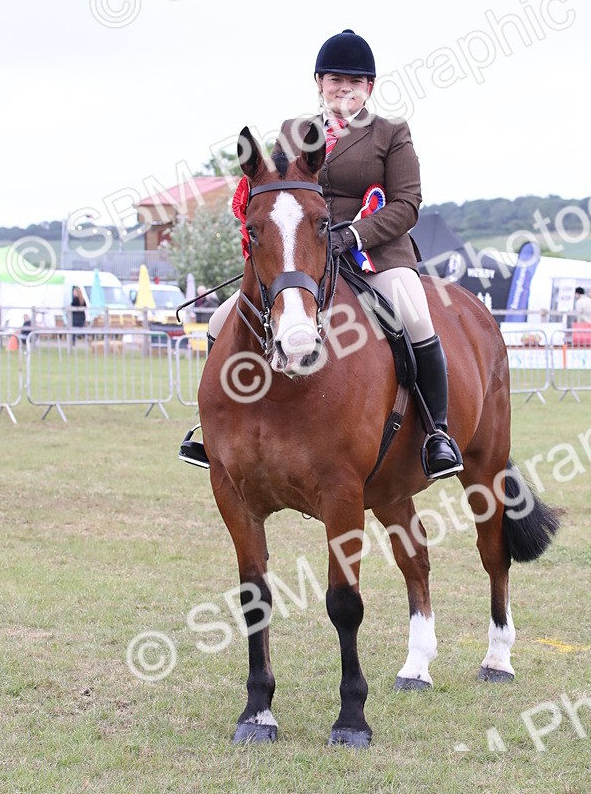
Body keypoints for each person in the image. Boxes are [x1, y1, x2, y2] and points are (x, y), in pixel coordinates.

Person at [180, 30, 463, 480]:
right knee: (220, 322)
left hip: (374, 256)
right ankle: (214, 425)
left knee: (415, 316)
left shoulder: (390, 133)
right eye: (335, 79)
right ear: (319, 82)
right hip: (302, 258)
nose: (344, 87)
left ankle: (436, 434)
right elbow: (270, 190)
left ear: (369, 87)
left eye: (355, 80)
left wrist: (351, 236)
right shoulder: (294, 132)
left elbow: (407, 204)